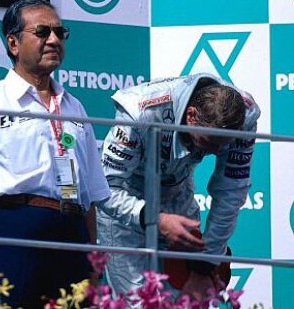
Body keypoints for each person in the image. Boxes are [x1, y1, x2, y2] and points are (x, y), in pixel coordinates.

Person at [0, 0, 110, 308]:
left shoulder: (76, 108)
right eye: (43, 32)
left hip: (71, 233)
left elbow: (88, 196)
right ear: (13, 43)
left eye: (60, 33)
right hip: (14, 230)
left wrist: (93, 264)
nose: (53, 40)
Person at [96, 74, 260, 301]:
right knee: (137, 302)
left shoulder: (245, 117)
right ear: (191, 116)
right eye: (208, 142)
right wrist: (154, 218)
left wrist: (205, 265)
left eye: (223, 145)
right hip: (127, 197)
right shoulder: (139, 112)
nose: (214, 152)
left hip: (177, 194)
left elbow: (231, 192)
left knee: (186, 302)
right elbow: (104, 188)